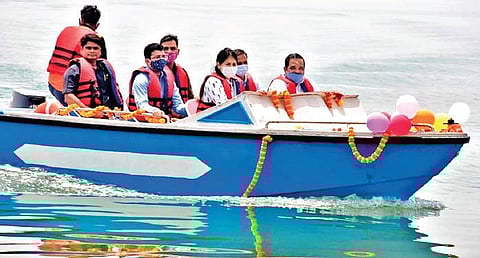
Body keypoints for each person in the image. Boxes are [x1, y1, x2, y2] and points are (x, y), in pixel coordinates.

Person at [47, 5, 107, 105]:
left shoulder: (65, 30)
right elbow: (102, 69)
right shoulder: (96, 39)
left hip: (52, 84)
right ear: (97, 25)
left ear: (80, 20)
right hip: (71, 91)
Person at [63, 34, 123, 110]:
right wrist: (88, 111)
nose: (92, 51)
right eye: (88, 48)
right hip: (86, 113)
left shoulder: (105, 68)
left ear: (100, 51)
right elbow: (68, 97)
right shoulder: (74, 70)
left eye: (95, 48)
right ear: (81, 49)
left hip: (110, 112)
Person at [127, 43, 187, 118]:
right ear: (148, 61)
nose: (161, 60)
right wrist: (154, 111)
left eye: (163, 56)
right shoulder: (141, 79)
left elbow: (177, 106)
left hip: (165, 120)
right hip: (145, 121)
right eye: (157, 57)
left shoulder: (169, 78)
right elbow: (142, 105)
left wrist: (188, 109)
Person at [197, 48, 245, 112]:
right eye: (228, 64)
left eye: (234, 64)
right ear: (219, 65)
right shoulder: (213, 81)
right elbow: (224, 106)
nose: (231, 67)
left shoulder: (233, 81)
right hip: (209, 119)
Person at [160, 34, 195, 103]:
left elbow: (190, 98)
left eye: (172, 48)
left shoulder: (183, 72)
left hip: (182, 111)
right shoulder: (155, 72)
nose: (169, 51)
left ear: (178, 52)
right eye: (165, 49)